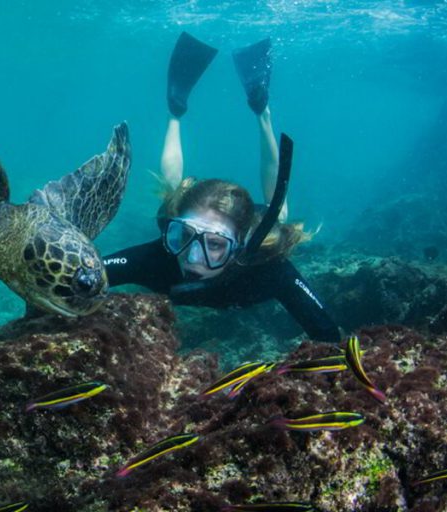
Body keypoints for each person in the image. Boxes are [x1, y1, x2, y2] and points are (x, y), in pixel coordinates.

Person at [101, 32, 341, 343]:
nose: (193, 258)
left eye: (215, 245)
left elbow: (327, 334)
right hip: (187, 209)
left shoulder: (266, 270)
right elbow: (85, 274)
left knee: (277, 213)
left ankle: (262, 111)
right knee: (172, 193)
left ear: (239, 247)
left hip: (253, 229)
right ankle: (175, 111)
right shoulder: (160, 257)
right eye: (185, 236)